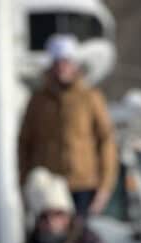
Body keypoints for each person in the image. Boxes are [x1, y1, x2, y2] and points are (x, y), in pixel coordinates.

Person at [18, 34, 117, 218]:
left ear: (75, 65)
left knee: (78, 239)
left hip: (83, 184)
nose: (62, 68)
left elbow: (106, 140)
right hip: (49, 185)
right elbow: (25, 142)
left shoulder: (90, 98)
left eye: (66, 62)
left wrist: (105, 185)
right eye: (57, 62)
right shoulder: (38, 100)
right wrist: (24, 182)